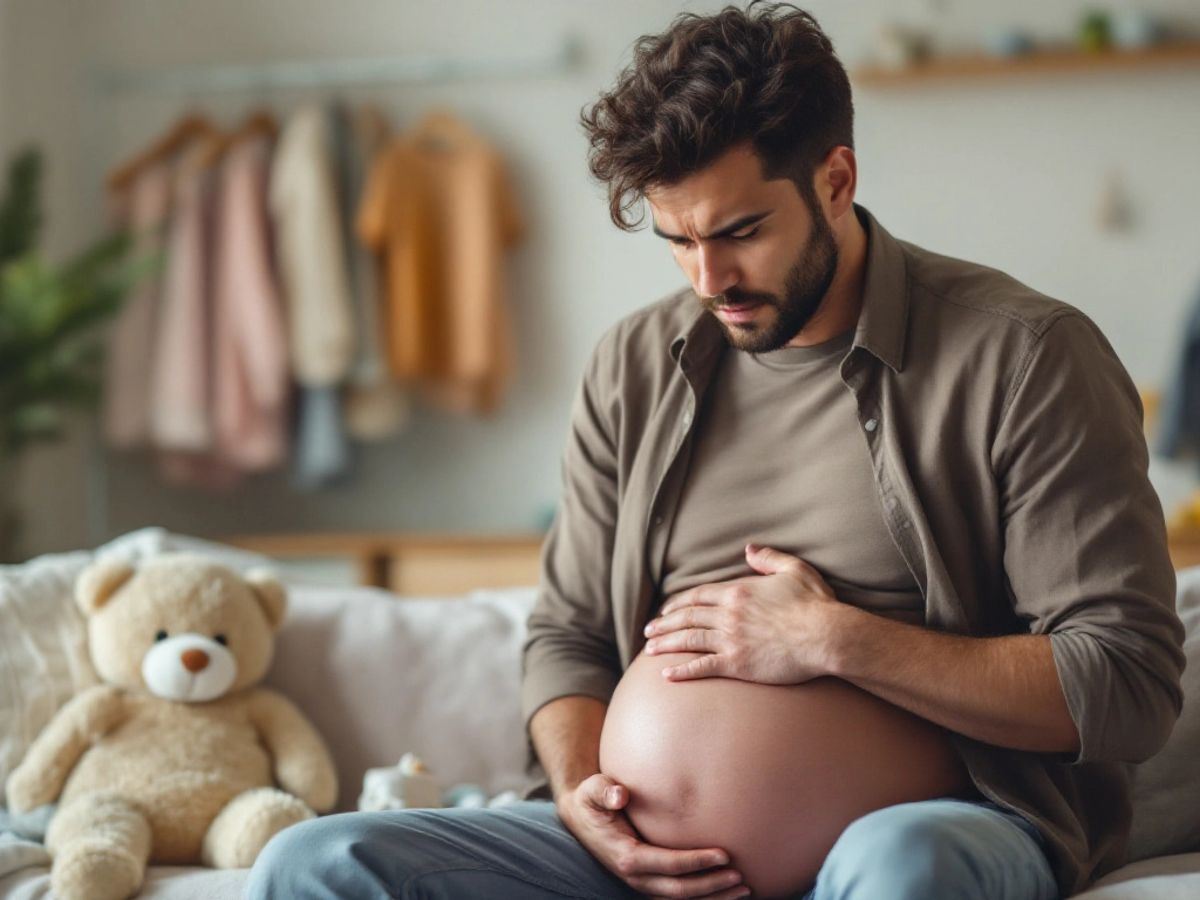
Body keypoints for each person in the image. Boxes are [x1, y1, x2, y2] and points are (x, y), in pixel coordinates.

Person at [245, 3, 1186, 898]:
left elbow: (1126, 682)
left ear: (836, 181)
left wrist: (833, 640)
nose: (712, 280)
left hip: (931, 826)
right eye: (677, 241)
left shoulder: (1023, 356)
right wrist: (582, 796)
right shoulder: (632, 365)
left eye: (741, 233)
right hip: (633, 867)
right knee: (314, 866)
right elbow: (566, 639)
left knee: (903, 872)